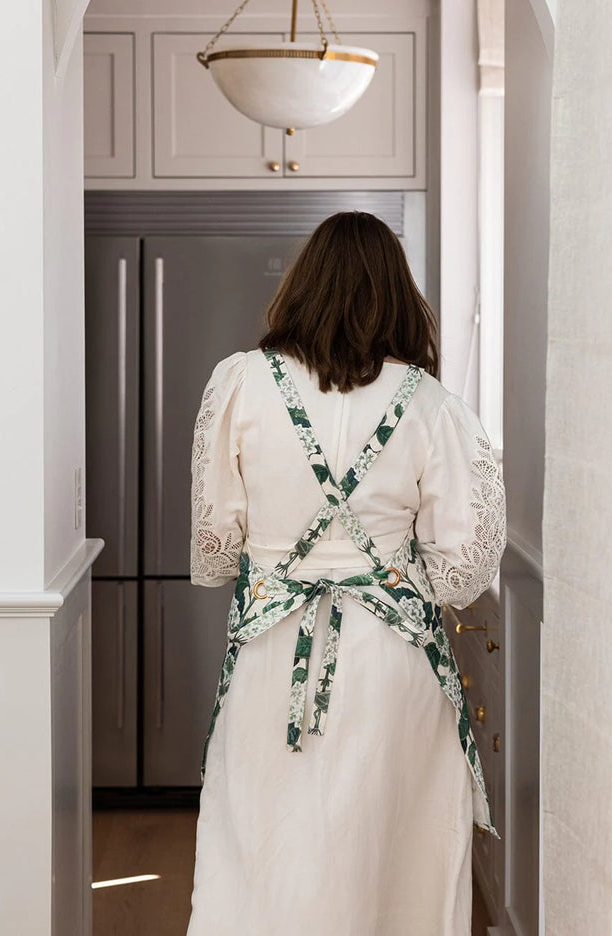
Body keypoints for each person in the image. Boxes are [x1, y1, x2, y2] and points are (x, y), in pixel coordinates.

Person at [185, 211, 506, 936]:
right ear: (400, 296)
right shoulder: (431, 405)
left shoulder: (239, 384)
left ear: (303, 286)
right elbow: (461, 577)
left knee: (264, 850)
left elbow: (211, 553)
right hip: (393, 664)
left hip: (272, 657)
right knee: (394, 857)